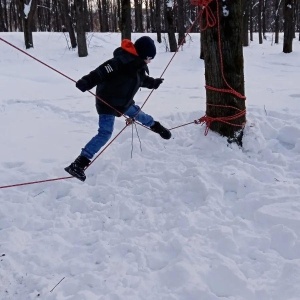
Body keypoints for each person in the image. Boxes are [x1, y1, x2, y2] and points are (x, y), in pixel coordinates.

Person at [65, 36, 172, 182]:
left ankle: (157, 127)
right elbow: (101, 72)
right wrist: (87, 81)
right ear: (143, 55)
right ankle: (78, 164)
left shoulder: (138, 66)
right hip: (107, 102)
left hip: (123, 103)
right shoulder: (120, 61)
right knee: (105, 133)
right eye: (149, 58)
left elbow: (142, 80)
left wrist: (153, 83)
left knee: (139, 114)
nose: (150, 61)